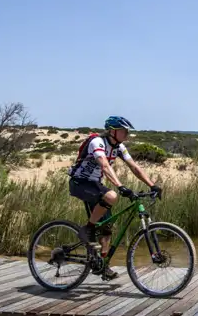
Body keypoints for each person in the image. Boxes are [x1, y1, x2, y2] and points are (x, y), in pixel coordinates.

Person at [68, 115, 161, 280]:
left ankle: (102, 265)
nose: (127, 134)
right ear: (112, 131)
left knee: (107, 228)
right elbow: (104, 165)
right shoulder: (97, 142)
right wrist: (120, 186)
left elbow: (134, 167)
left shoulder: (119, 147)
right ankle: (87, 229)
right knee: (111, 195)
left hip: (95, 184)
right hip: (80, 182)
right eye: (124, 131)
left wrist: (152, 184)